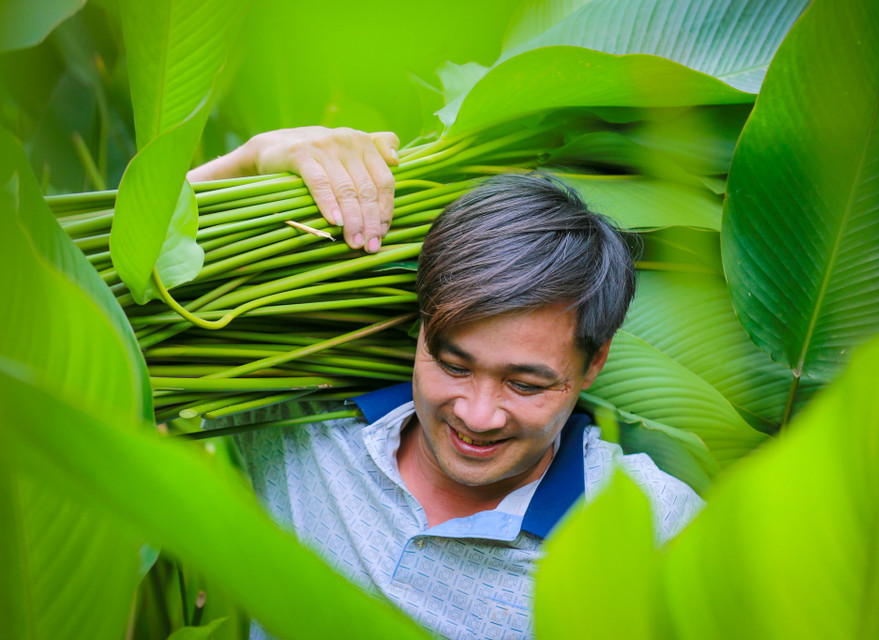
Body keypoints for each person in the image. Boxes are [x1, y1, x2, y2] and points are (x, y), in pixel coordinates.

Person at [200, 127, 703, 640]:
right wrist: (250, 159)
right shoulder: (305, 426)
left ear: (594, 363)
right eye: (454, 366)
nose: (477, 416)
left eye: (525, 385)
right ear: (422, 328)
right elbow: (150, 285)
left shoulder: (654, 526)